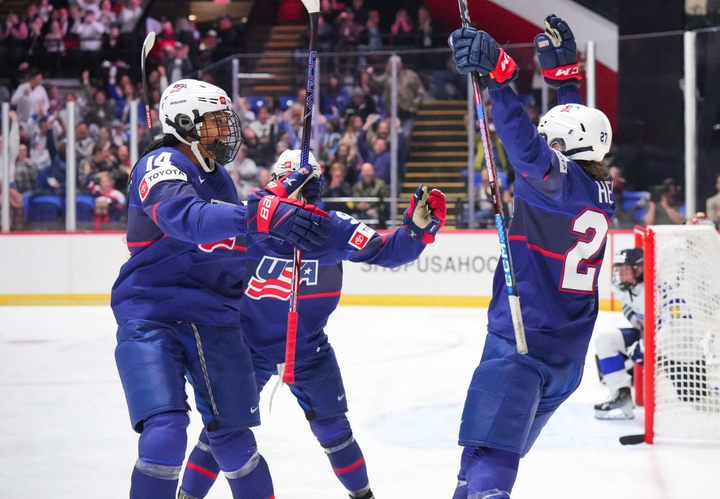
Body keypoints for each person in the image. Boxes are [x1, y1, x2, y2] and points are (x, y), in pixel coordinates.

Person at [179, 149, 447, 499]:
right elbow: (198, 244)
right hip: (247, 348)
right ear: (276, 187)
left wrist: (416, 231)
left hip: (307, 348)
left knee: (334, 430)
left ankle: (363, 496)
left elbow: (389, 251)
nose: (302, 199)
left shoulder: (335, 227)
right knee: (221, 432)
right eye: (295, 188)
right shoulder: (249, 223)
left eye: (309, 188)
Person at [111, 79, 332, 499]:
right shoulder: (161, 164)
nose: (226, 130)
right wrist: (263, 212)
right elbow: (187, 217)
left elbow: (243, 237)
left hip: (214, 319)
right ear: (184, 122)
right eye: (215, 121)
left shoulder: (220, 178)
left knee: (235, 441)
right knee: (166, 433)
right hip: (153, 314)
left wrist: (286, 204)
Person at [448, 15, 615, 499]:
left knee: (487, 464)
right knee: (481, 455)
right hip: (565, 358)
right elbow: (575, 134)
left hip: (521, 345)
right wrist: (566, 82)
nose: (547, 147)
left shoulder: (556, 181)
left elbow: (526, 149)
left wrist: (502, 81)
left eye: (553, 142)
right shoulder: (594, 186)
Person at [594, 249, 644, 420]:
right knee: (605, 340)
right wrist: (643, 338)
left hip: (672, 345)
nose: (621, 277)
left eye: (625, 271)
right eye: (619, 271)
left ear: (639, 269)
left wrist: (647, 343)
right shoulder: (622, 287)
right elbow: (632, 313)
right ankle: (621, 396)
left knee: (690, 398)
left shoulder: (656, 287)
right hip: (647, 336)